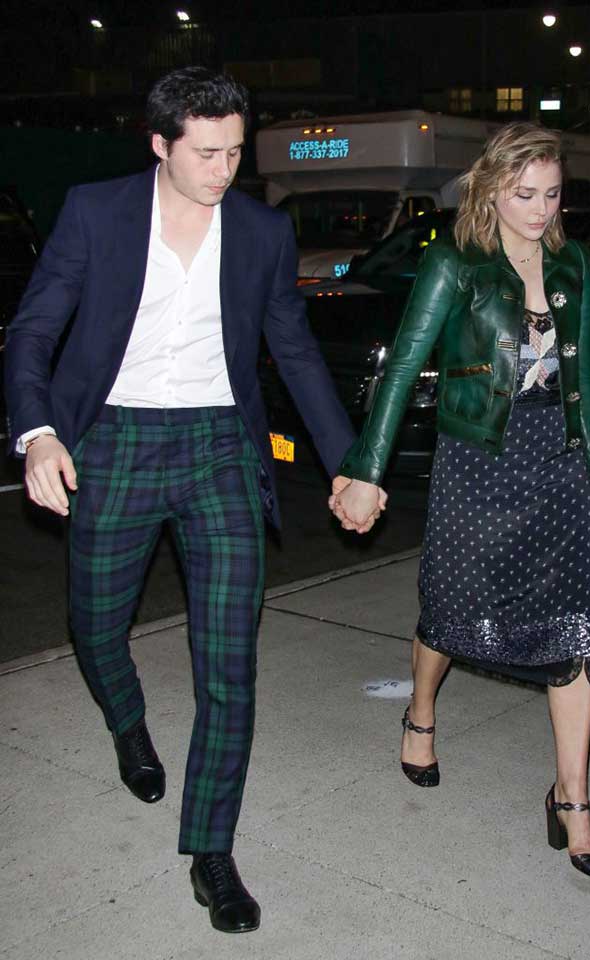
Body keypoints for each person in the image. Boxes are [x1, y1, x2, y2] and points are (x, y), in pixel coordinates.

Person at [4, 67, 385, 935]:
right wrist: (40, 433)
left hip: (219, 448)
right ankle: (129, 723)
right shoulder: (96, 213)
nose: (224, 169)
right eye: (207, 153)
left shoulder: (261, 230)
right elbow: (33, 329)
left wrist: (348, 464)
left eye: (235, 152)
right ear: (160, 145)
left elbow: (293, 349)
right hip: (113, 440)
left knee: (230, 664)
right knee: (95, 626)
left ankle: (212, 849)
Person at [331, 121, 590, 880]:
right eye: (525, 194)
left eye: (552, 194)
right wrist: (367, 468)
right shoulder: (456, 261)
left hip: (557, 464)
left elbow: (583, 386)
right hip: (478, 461)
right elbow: (403, 367)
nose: (541, 210)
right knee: (452, 611)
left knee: (574, 629)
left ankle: (573, 801)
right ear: (491, 189)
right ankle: (421, 714)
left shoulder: (574, 263)